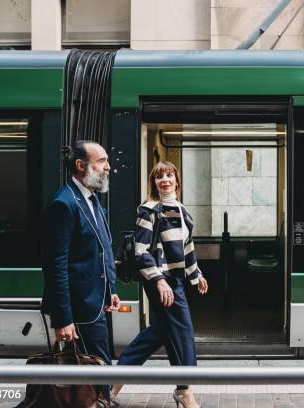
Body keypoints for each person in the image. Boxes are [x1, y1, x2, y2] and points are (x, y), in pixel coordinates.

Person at [112, 160, 208, 408]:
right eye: (159, 177)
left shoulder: (182, 210)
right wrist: (159, 281)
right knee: (183, 332)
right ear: (153, 182)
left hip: (174, 281)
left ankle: (112, 382)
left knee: (158, 334)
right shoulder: (149, 210)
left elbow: (187, 248)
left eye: (168, 175)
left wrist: (196, 276)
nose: (164, 180)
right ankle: (185, 391)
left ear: (177, 179)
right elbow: (141, 252)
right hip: (160, 282)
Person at [41, 140, 120, 402]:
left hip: (97, 301)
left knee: (100, 365)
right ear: (80, 165)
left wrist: (111, 289)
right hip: (79, 307)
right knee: (96, 369)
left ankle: (101, 401)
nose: (108, 167)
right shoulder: (64, 204)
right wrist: (63, 318)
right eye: (102, 161)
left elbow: (101, 248)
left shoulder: (91, 199)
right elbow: (56, 265)